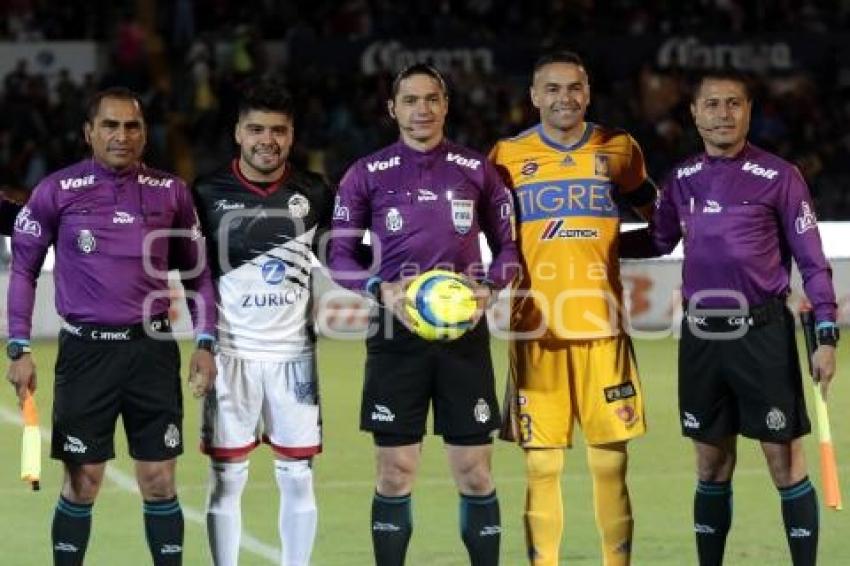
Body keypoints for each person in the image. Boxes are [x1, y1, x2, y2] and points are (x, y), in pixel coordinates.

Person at [619, 69, 838, 566]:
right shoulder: (682, 179)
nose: (723, 113)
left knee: (783, 459)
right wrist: (600, 243)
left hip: (762, 335)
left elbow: (811, 258)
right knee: (710, 463)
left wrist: (826, 333)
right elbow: (657, 239)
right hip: (701, 338)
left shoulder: (780, 177)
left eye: (734, 103)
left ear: (749, 111)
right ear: (695, 114)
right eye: (712, 104)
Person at [6, 86, 217, 566]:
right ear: (89, 132)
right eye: (110, 125)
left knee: (160, 480)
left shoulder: (172, 193)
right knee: (83, 483)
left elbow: (197, 273)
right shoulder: (56, 191)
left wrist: (206, 340)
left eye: (132, 126)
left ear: (144, 133)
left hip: (152, 353)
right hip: (86, 356)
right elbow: (22, 270)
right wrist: (18, 346)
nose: (121, 135)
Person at [328, 63, 519, 566]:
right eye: (410, 100)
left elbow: (509, 251)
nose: (422, 110)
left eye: (431, 98)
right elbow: (339, 258)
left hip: (463, 338)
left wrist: (492, 286)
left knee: (475, 472)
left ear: (446, 105)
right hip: (396, 334)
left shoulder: (478, 170)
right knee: (395, 471)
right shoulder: (365, 174)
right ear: (393, 109)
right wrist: (379, 289)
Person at [489, 50, 658, 566]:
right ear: (535, 97)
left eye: (575, 88)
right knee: (541, 467)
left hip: (604, 332)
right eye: (554, 89)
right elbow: (489, 235)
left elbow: (661, 221)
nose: (566, 98)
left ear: (588, 92)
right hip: (534, 333)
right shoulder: (503, 157)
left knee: (611, 464)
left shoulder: (620, 149)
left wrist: (615, 247)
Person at [192, 79, 333, 566]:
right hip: (231, 356)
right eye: (256, 129)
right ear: (237, 132)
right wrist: (204, 341)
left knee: (297, 476)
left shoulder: (314, 191)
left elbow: (342, 258)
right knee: (227, 479)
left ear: (291, 136)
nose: (266, 139)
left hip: (294, 358)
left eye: (278, 130)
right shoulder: (207, 193)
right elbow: (198, 277)